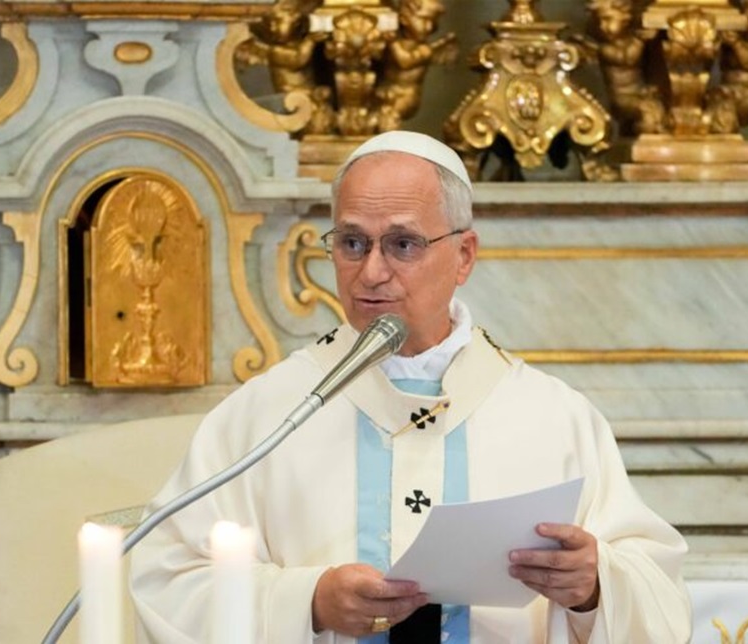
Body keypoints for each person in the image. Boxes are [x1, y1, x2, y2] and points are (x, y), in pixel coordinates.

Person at [129, 131, 691, 643]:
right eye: (352, 243)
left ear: (463, 256)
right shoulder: (267, 413)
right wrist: (310, 602)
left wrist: (594, 587)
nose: (372, 272)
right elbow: (167, 580)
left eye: (402, 244)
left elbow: (661, 602)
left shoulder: (553, 418)